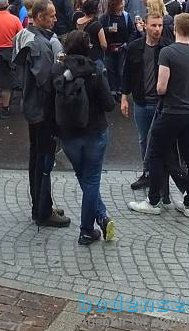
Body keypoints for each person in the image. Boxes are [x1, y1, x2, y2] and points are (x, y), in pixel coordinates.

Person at [127, 12, 189, 218]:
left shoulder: (168, 52)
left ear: (174, 29)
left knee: (155, 152)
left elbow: (161, 88)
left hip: (172, 111)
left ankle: (153, 201)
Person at [11, 0, 70, 228]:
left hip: (32, 106)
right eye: (51, 16)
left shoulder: (26, 35)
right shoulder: (40, 43)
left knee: (37, 158)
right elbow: (47, 80)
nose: (55, 19)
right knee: (43, 161)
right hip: (42, 110)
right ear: (38, 17)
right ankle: (43, 211)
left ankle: (40, 204)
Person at [54, 30, 117, 245]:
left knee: (84, 178)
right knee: (91, 180)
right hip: (95, 132)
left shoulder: (58, 71)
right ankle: (87, 229)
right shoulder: (95, 71)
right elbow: (109, 104)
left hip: (69, 135)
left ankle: (101, 216)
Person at [121, 13, 171, 195]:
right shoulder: (135, 47)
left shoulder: (167, 48)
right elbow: (127, 72)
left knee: (159, 141)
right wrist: (124, 97)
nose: (158, 29)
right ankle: (148, 172)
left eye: (160, 25)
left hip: (161, 104)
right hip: (141, 102)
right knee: (144, 140)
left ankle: (161, 176)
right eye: (154, 25)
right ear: (146, 26)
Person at [98, 0, 134, 98]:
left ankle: (120, 90)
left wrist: (127, 43)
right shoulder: (105, 17)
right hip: (109, 48)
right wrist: (108, 30)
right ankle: (112, 91)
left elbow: (132, 31)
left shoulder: (126, 16)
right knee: (110, 69)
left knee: (120, 69)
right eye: (121, 2)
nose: (123, 3)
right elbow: (98, 30)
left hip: (122, 47)